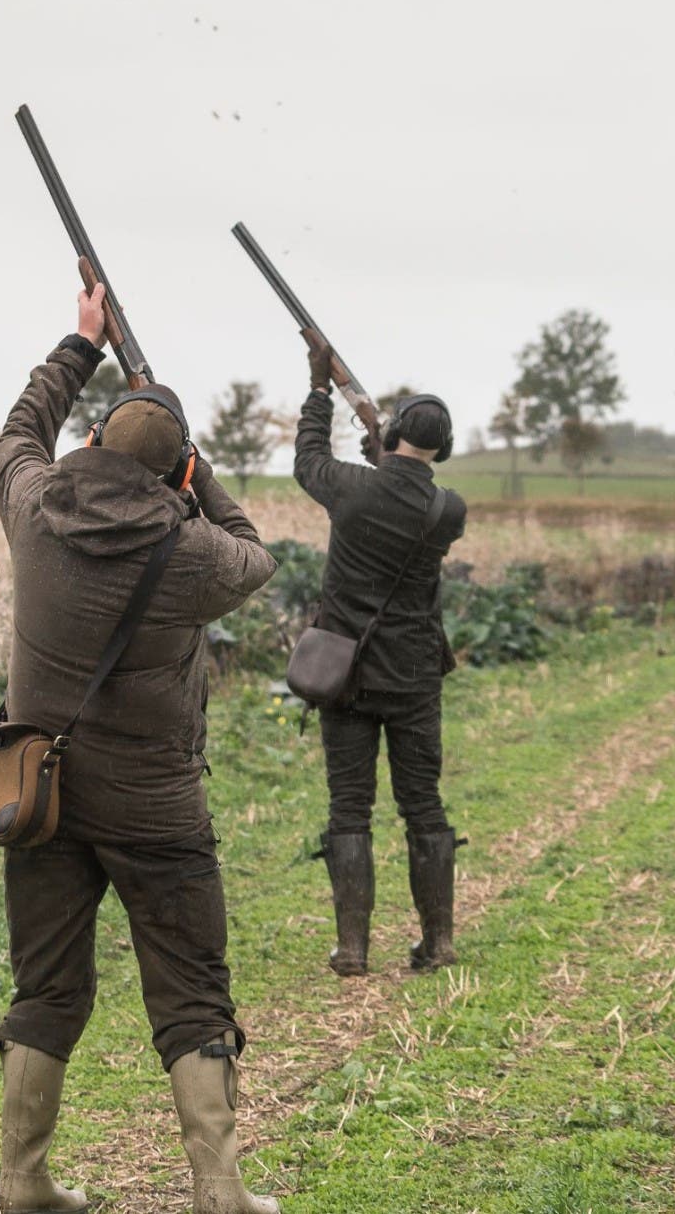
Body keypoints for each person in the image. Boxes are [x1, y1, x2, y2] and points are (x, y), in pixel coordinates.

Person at [0, 281, 281, 1214]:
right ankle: (220, 1193)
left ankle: (22, 1180)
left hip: (40, 791)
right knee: (190, 988)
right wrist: (195, 476)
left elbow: (16, 435)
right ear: (177, 475)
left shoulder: (34, 513)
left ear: (88, 446)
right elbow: (254, 549)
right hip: (156, 803)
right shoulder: (191, 552)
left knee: (45, 984)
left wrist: (80, 347)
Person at [292, 334, 468, 979]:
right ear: (442, 449)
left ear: (392, 433)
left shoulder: (352, 489)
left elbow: (309, 458)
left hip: (347, 675)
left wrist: (318, 388)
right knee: (423, 804)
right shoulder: (449, 509)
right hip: (416, 675)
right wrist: (388, 452)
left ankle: (353, 951)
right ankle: (439, 942)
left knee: (349, 807)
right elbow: (410, 491)